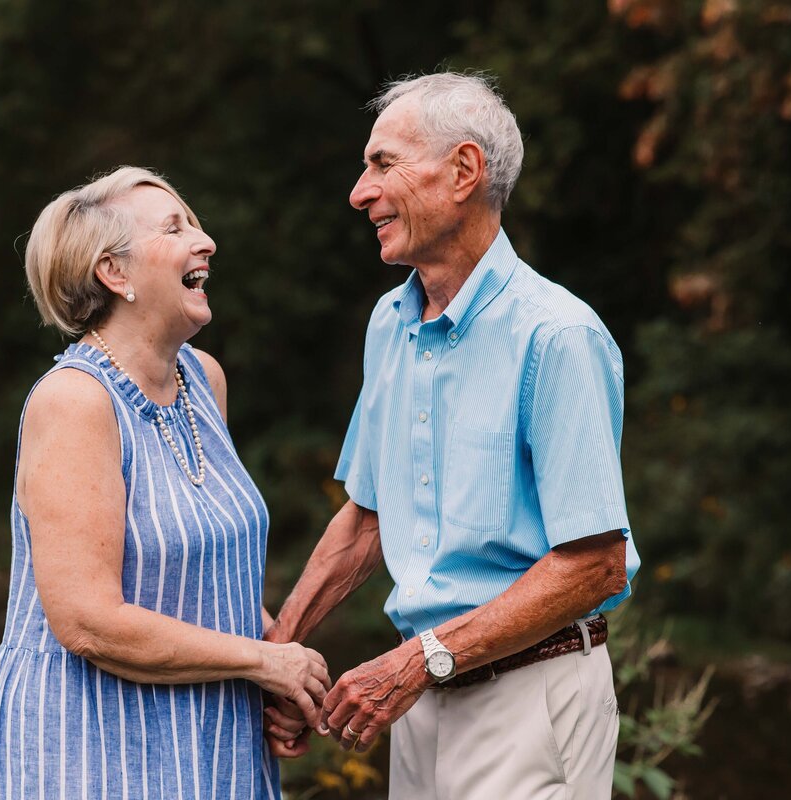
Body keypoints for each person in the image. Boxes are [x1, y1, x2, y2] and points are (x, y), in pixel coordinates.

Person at [262, 72, 641, 798]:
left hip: (530, 693)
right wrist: (281, 655)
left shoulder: (556, 335)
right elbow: (369, 514)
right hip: (421, 694)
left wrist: (416, 662)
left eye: (383, 164)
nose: (359, 193)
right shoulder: (389, 324)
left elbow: (597, 564)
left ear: (464, 171)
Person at [0, 166, 330, 799]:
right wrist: (265, 661)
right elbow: (87, 621)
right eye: (175, 227)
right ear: (115, 273)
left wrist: (282, 678)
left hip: (212, 735)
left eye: (194, 221)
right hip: (91, 746)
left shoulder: (205, 380)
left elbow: (209, 573)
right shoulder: (74, 402)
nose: (206, 240)